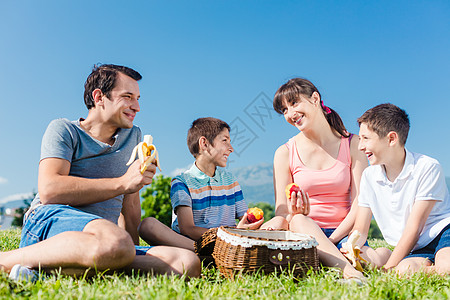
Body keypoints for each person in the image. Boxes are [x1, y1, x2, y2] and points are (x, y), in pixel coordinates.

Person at [0, 64, 200, 281]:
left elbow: (131, 204)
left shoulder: (133, 136)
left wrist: (128, 249)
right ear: (99, 97)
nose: (137, 107)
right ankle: (6, 260)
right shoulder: (64, 130)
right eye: (128, 96)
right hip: (48, 223)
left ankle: (44, 270)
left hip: (104, 240)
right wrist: (123, 183)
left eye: (138, 98)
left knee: (186, 263)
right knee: (115, 242)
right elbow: (50, 190)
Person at [265, 78, 368, 281]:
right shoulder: (284, 153)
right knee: (300, 219)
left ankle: (330, 259)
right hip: (304, 233)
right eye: (284, 110)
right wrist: (292, 215)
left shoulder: (354, 144)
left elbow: (360, 202)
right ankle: (350, 273)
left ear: (315, 98)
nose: (290, 114)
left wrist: (332, 240)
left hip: (344, 235)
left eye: (294, 103)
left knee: (374, 257)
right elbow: (283, 210)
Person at [349, 103, 450, 275]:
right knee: (404, 270)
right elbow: (361, 227)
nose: (360, 146)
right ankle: (425, 265)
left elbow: (415, 227)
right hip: (415, 247)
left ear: (391, 139)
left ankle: (440, 264)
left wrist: (388, 269)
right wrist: (353, 246)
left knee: (446, 267)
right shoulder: (369, 176)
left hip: (442, 235)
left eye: (366, 138)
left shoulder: (427, 167)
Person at [139, 117, 263, 248]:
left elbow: (245, 219)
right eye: (225, 140)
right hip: (194, 243)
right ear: (204, 143)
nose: (231, 148)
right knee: (148, 226)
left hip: (227, 242)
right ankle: (204, 253)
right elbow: (187, 229)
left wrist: (250, 224)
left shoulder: (231, 181)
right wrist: (231, 235)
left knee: (279, 221)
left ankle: (213, 253)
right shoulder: (182, 182)